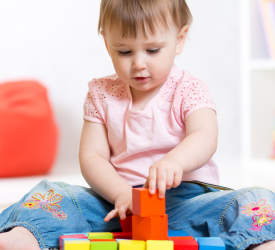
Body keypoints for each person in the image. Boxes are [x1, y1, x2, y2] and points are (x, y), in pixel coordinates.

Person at [0, 1, 275, 249]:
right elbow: (92, 156)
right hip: (114, 203)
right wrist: (121, 193)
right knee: (53, 193)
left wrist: (174, 162)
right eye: (125, 51)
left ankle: (259, 241)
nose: (139, 63)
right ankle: (25, 236)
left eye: (153, 50)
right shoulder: (101, 93)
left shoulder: (189, 89)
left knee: (254, 197)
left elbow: (205, 136)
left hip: (184, 202)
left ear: (179, 40)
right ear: (107, 44)